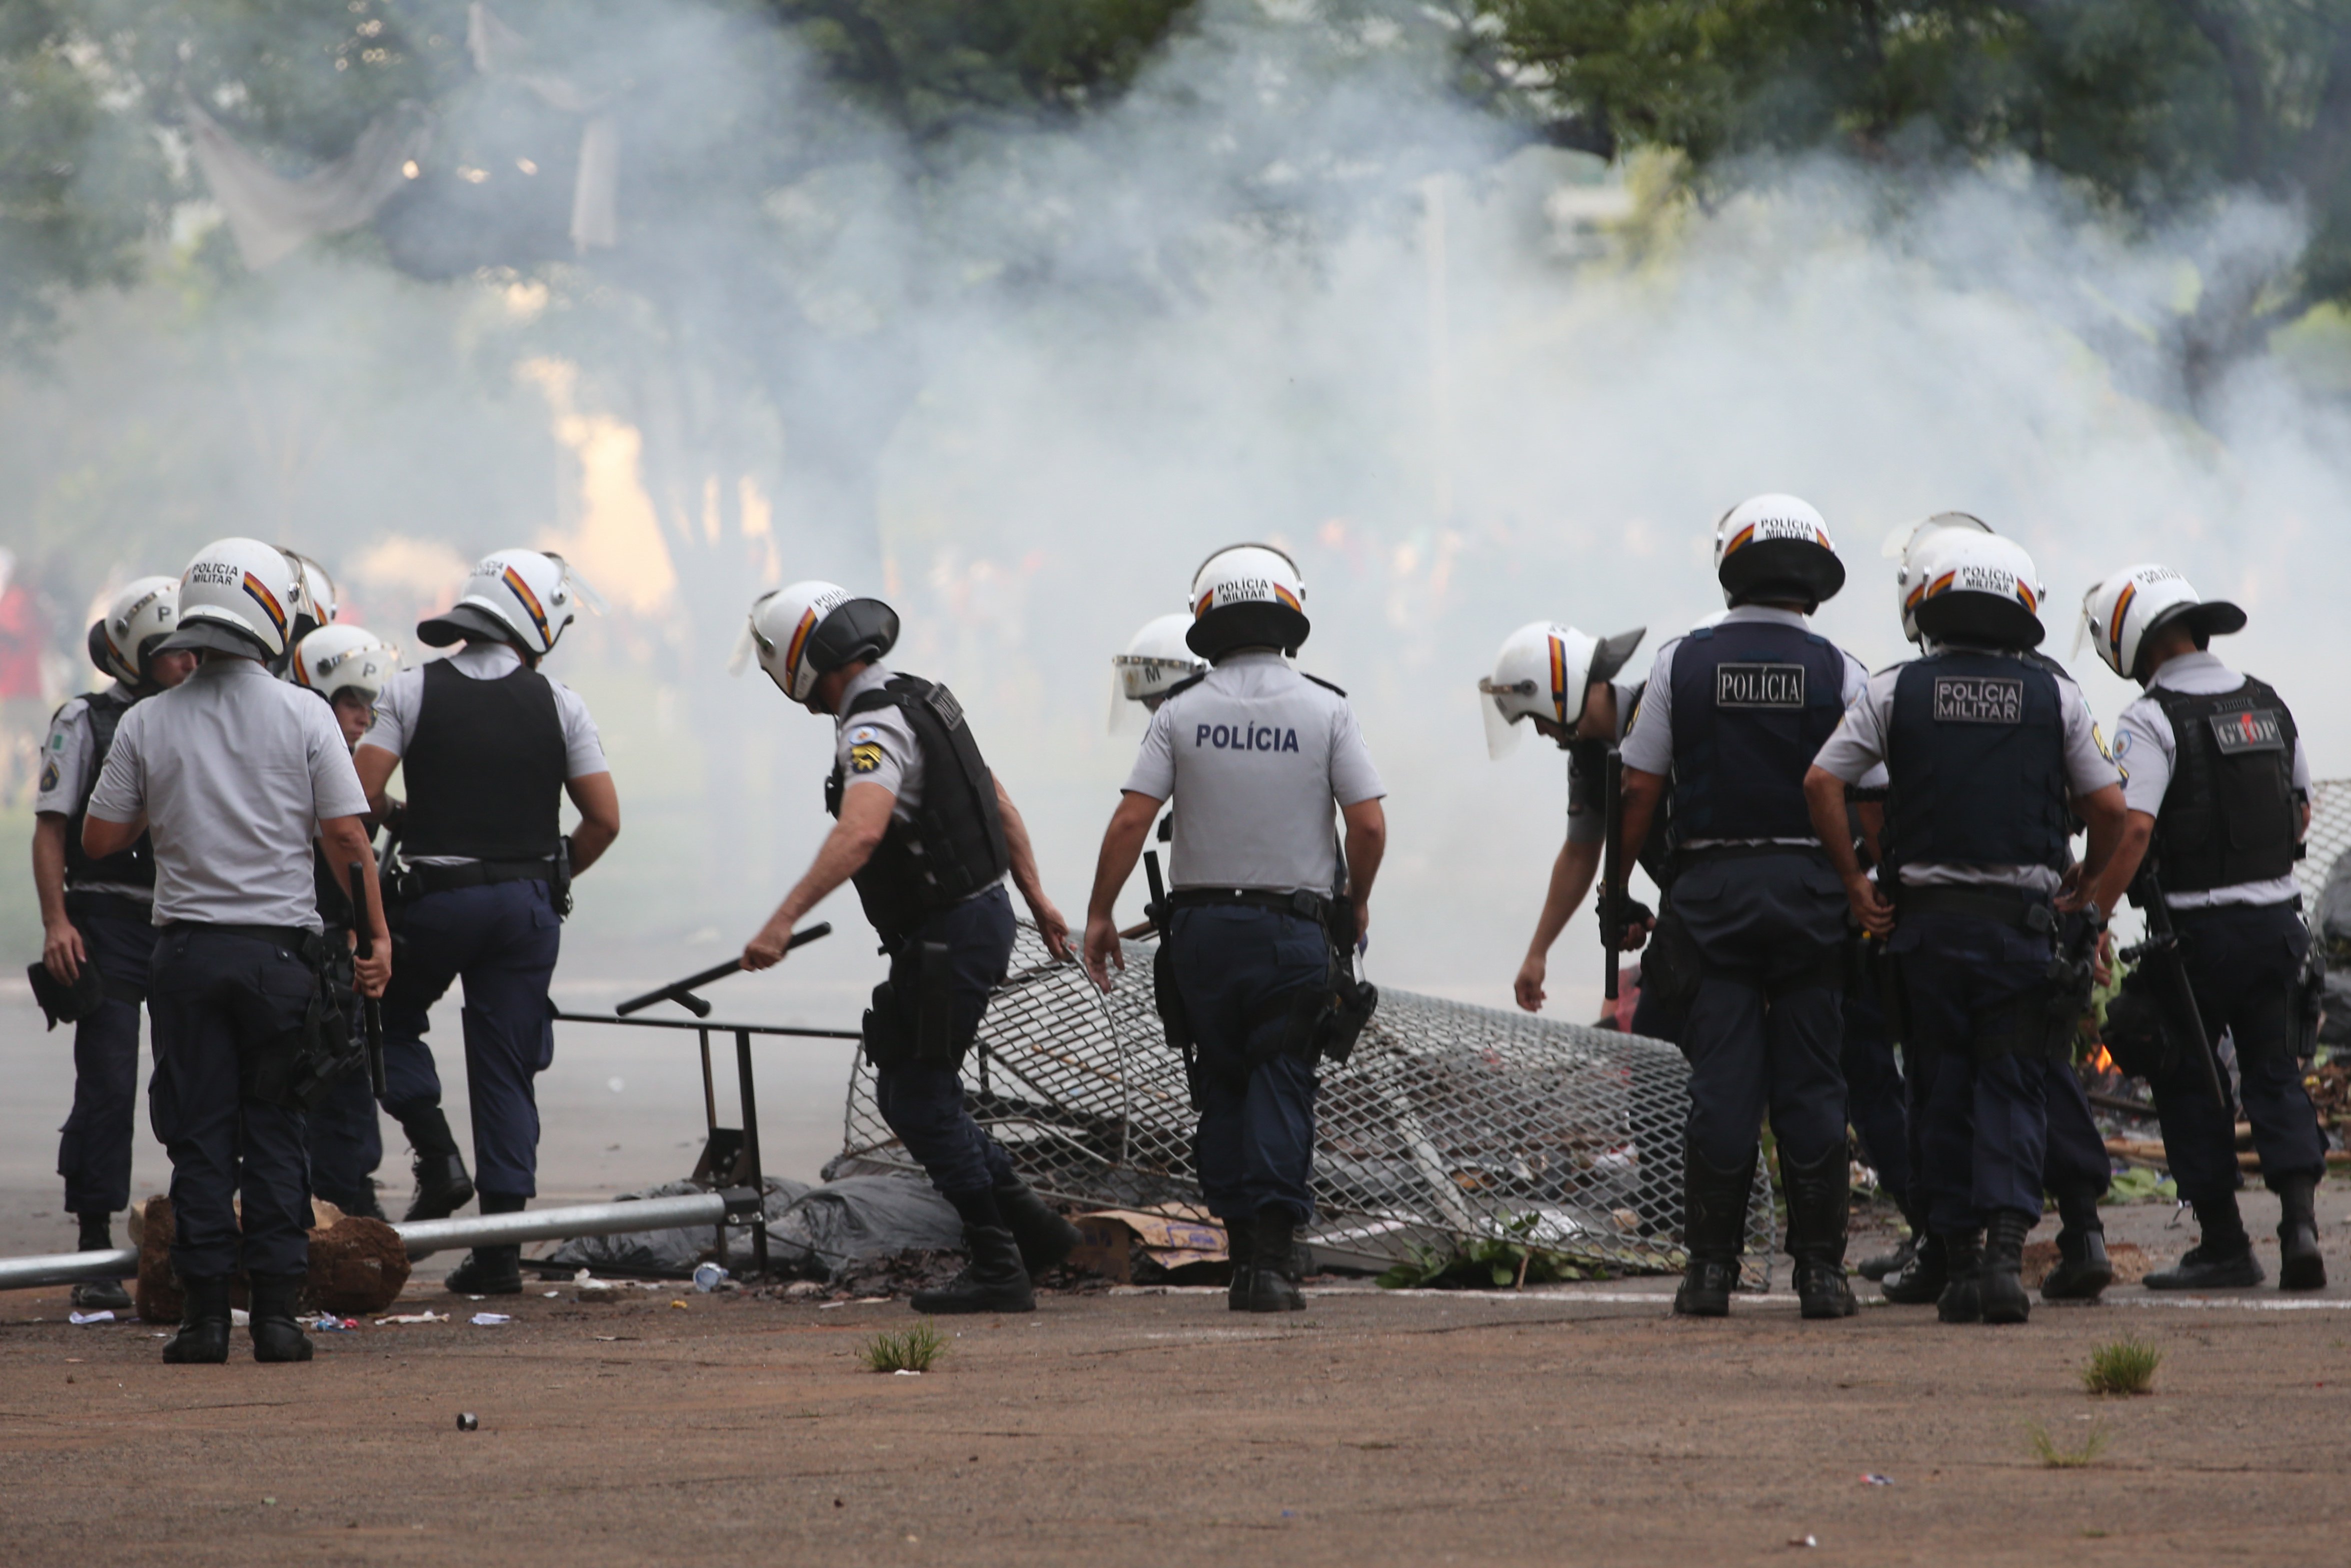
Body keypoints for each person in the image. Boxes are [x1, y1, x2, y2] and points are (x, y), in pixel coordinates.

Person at [1804, 530, 2126, 1326]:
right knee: (2015, 1085)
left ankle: (1954, 1267)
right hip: (2017, 936)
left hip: (1925, 935)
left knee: (1937, 1090)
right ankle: (2006, 1262)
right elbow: (2112, 810)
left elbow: (1822, 780)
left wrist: (1853, 882)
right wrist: (2086, 882)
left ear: (1924, 603)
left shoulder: (1891, 692)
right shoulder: (2056, 696)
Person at [83, 538, 390, 1364]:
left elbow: (103, 837)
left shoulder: (148, 720)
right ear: (272, 613)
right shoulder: (306, 714)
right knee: (279, 1131)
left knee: (201, 1137)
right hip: (278, 961)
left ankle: (205, 1320)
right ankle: (281, 1322)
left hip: (184, 960)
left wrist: (173, 796)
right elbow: (347, 838)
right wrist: (376, 936)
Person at [737, 580, 1077, 1314]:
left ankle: (998, 1265)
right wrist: (1036, 898)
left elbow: (861, 831)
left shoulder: (873, 725)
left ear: (799, 659)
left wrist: (781, 922)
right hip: (974, 920)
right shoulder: (924, 697)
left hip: (949, 934)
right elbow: (1000, 803)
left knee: (917, 1098)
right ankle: (1036, 1232)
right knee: (922, 1088)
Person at [1082, 544, 1387, 1313]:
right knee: (1283, 1084)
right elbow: (1370, 826)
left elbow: (1130, 819)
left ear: (1205, 620)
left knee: (1218, 1083)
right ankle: (1271, 1272)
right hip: (1292, 934)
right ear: (1290, 615)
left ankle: (1240, 1254)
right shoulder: (1327, 709)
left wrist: (1097, 914)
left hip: (1203, 937)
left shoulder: (1181, 712)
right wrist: (1355, 905)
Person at [1606, 495, 1866, 1320]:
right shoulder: (1842, 668)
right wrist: (1864, 886)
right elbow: (1871, 802)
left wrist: (1618, 895)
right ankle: (1822, 1277)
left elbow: (1639, 790)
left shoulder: (1682, 663)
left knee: (1720, 1087)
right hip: (1813, 902)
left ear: (1731, 569)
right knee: (1813, 1086)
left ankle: (1708, 1273)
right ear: (1814, 580)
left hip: (1710, 904)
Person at [351, 550, 621, 1293]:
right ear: (539, 619)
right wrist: (550, 872)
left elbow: (362, 793)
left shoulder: (410, 690)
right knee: (506, 1065)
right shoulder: (561, 703)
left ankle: (437, 1155)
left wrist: (409, 818)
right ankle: (500, 1251)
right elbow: (603, 821)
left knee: (383, 1018)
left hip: (436, 902)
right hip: (525, 910)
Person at [2075, 564, 2328, 1292]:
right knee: (2277, 1076)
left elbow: (2131, 831)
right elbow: (2303, 810)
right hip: (2279, 926)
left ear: (2133, 643)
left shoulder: (2151, 719)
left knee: (2186, 1079)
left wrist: (2092, 916)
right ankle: (2300, 1230)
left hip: (2197, 939)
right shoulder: (2267, 703)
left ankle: (2223, 1244)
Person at [31, 577, 196, 1308]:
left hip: (185, 923)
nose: (187, 665)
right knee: (106, 1086)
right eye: (171, 653)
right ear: (133, 654)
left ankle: (198, 1237)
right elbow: (51, 829)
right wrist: (57, 921)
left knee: (198, 1081)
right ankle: (95, 1248)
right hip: (103, 924)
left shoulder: (199, 717)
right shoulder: (84, 720)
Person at [1476, 621, 1651, 1018]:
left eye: (1536, 717)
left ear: (1560, 692)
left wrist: (1617, 896)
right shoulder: (1590, 760)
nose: (1539, 731)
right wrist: (1537, 953)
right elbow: (1579, 853)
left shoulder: (1658, 718)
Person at [289, 624, 403, 1220]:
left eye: (368, 705)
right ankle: (339, 1211)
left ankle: (350, 1206)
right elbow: (344, 840)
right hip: (308, 948)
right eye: (352, 701)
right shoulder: (307, 751)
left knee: (346, 1085)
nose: (363, 717)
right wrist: (371, 931)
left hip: (329, 945)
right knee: (330, 1088)